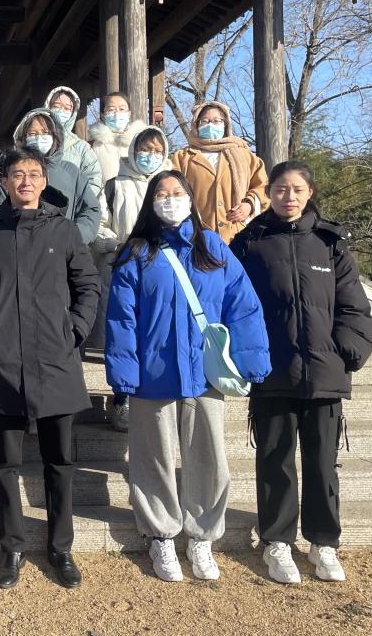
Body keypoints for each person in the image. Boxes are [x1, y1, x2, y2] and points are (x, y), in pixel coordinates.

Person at [105, 170, 270, 583]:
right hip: (152, 375)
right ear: (150, 202)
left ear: (191, 199)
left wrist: (252, 357)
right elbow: (121, 319)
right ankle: (160, 533)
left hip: (204, 372)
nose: (170, 199)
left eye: (177, 192)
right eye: (161, 193)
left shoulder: (211, 245)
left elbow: (242, 303)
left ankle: (202, 536)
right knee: (153, 458)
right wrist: (124, 372)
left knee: (209, 458)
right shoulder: (136, 252)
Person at [231, 161, 372, 585]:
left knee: (322, 464)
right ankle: (277, 541)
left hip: (324, 374)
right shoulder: (250, 243)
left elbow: (354, 307)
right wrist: (246, 356)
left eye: (296, 189)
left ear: (309, 193)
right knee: (275, 461)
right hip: (272, 372)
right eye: (280, 189)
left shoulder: (330, 244)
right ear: (269, 193)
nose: (288, 197)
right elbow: (234, 305)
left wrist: (346, 352)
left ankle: (323, 542)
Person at [0, 148, 100, 590]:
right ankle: (12, 546)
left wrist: (75, 330)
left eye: (34, 174)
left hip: (55, 360)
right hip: (4, 361)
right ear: (5, 182)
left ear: (45, 181)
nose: (26, 181)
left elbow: (87, 285)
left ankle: (60, 547)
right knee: (4, 462)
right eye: (18, 174)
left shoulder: (63, 230)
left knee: (59, 460)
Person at [92, 125, 172, 432]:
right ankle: (121, 401)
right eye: (145, 150)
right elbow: (100, 223)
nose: (150, 156)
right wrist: (118, 244)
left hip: (162, 271)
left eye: (157, 151)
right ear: (133, 150)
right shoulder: (115, 185)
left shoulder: (171, 185)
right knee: (124, 337)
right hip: (124, 266)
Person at [171, 101, 268, 242]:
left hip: (238, 234)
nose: (210, 125)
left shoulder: (244, 155)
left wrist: (249, 205)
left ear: (225, 124)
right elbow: (171, 190)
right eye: (205, 121)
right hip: (198, 236)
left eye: (217, 121)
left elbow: (263, 186)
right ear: (196, 124)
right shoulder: (182, 157)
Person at [11, 108, 100, 244]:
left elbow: (90, 209)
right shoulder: (13, 171)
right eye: (32, 134)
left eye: (45, 133)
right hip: (21, 247)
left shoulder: (72, 172)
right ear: (23, 138)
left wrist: (74, 237)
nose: (39, 138)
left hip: (63, 249)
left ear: (55, 136)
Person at [43, 85, 104, 203]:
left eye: (67, 108)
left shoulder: (81, 147)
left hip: (69, 208)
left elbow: (94, 179)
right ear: (48, 107)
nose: (61, 111)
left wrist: (79, 203)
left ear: (73, 113)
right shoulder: (35, 141)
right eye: (57, 106)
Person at [85, 92, 142, 184]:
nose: (117, 113)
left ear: (129, 114)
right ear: (103, 115)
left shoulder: (140, 143)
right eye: (111, 110)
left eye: (122, 109)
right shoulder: (91, 147)